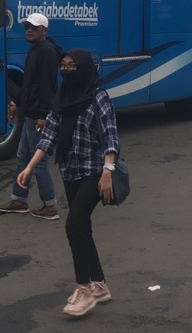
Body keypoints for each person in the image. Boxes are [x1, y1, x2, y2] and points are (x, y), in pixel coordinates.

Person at [17, 48, 120, 317]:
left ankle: (84, 290)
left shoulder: (99, 98)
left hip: (95, 173)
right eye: (63, 65)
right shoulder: (62, 98)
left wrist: (107, 170)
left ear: (86, 68)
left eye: (73, 65)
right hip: (70, 170)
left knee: (74, 224)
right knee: (82, 227)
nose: (67, 70)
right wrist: (28, 168)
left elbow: (110, 136)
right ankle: (100, 284)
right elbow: (48, 137)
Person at [0, 13, 62, 220]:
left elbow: (47, 87)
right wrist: (16, 102)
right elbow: (28, 83)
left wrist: (43, 115)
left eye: (34, 27)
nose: (29, 31)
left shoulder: (48, 53)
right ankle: (19, 200)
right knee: (23, 156)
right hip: (30, 113)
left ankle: (49, 206)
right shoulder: (35, 50)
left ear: (45, 30)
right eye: (26, 27)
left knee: (38, 160)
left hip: (37, 115)